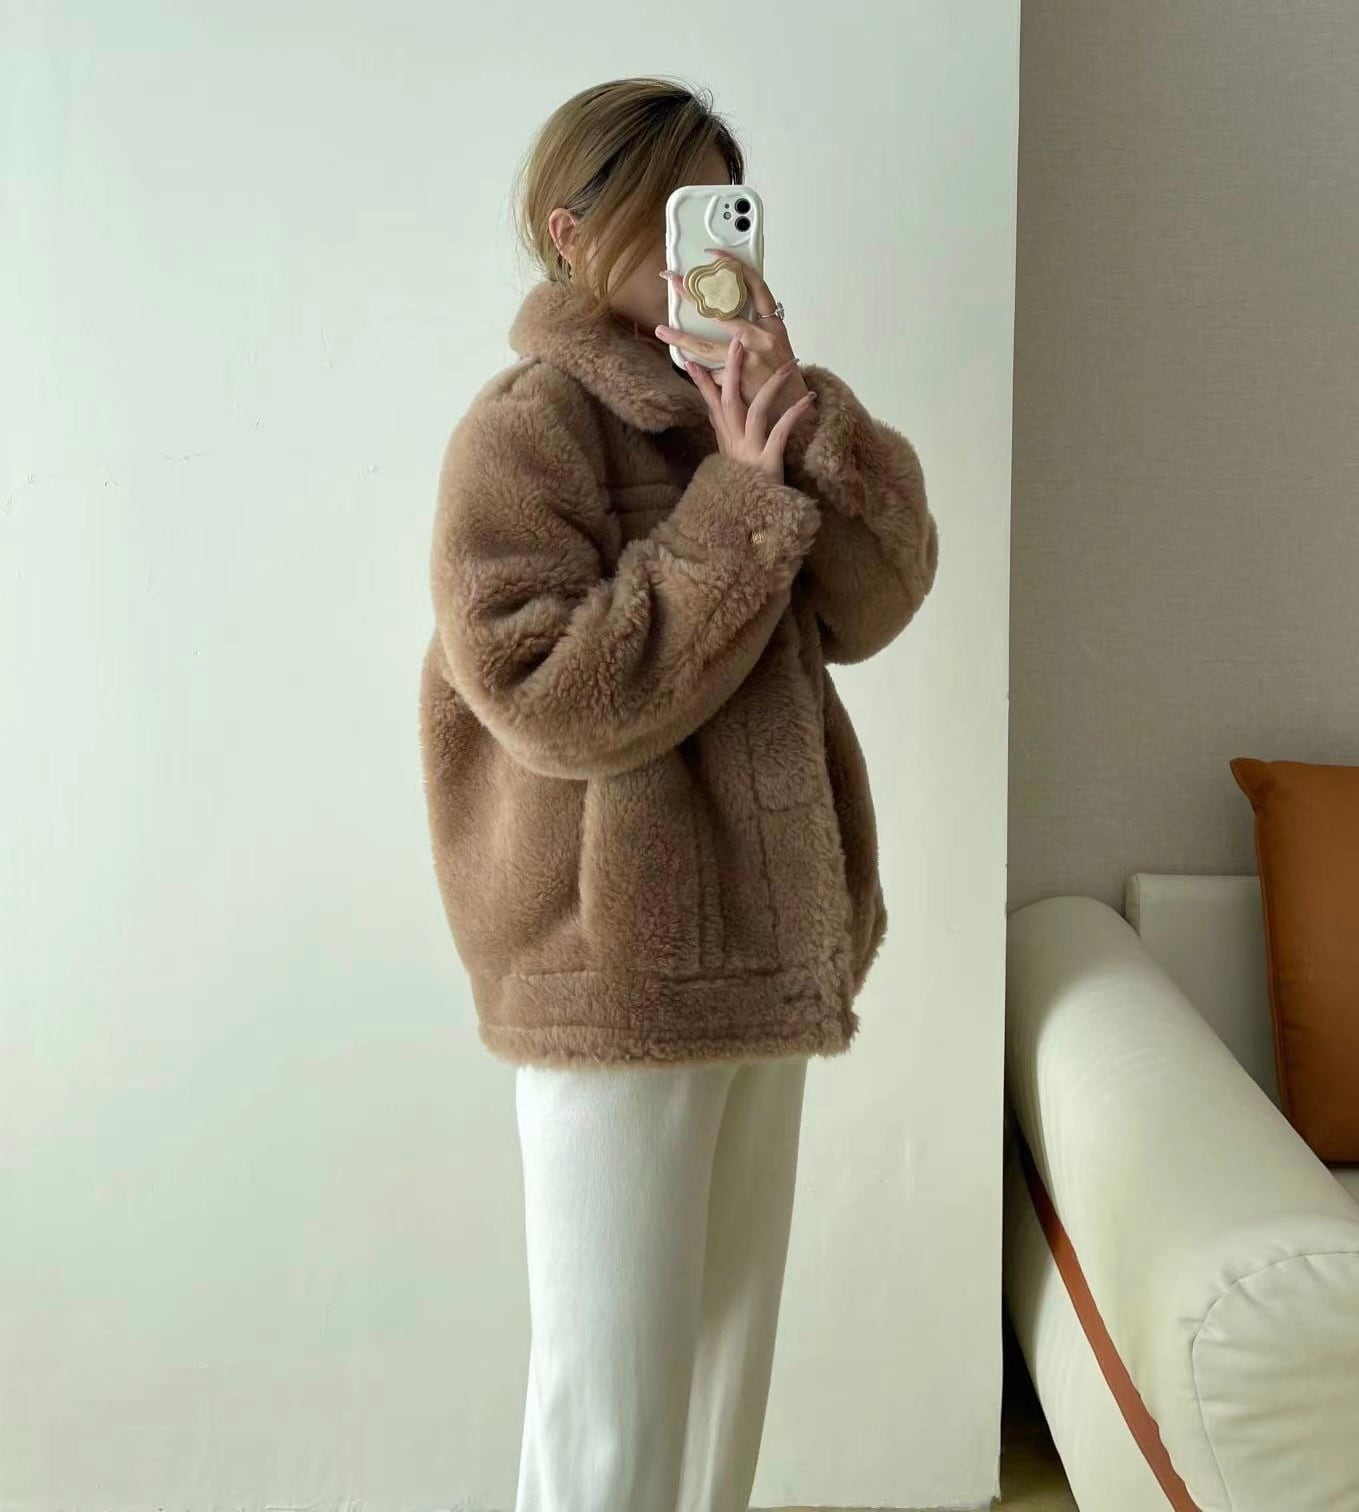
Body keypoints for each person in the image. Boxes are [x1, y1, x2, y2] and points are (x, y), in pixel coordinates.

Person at [418, 76, 940, 1512]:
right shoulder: (528, 429)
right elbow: (545, 694)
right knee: (608, 1407)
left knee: (720, 1391)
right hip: (616, 973)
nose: (704, 248)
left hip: (769, 953)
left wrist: (797, 425)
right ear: (568, 231)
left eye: (725, 209)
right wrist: (735, 510)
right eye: (671, 215)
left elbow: (885, 594)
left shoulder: (755, 409)